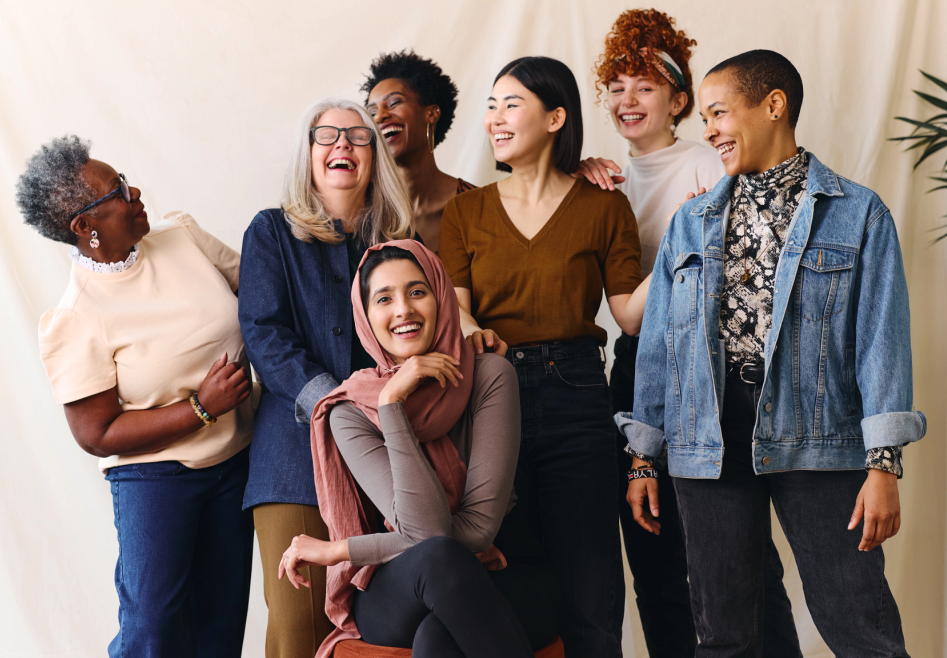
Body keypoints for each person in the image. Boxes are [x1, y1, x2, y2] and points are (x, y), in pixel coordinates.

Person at [619, 50, 925, 657]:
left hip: (818, 431)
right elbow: (660, 346)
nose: (709, 130)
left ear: (774, 106)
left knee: (860, 627)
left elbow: (881, 342)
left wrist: (883, 464)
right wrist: (643, 457)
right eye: (705, 117)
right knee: (724, 635)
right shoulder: (690, 222)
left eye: (719, 113)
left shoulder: (858, 214)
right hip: (707, 436)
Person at [578, 10, 801, 657]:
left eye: (644, 86)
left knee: (734, 562)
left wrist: (683, 230)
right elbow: (625, 316)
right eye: (616, 86)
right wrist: (580, 185)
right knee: (654, 562)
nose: (627, 100)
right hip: (635, 370)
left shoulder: (714, 161)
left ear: (679, 99)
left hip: (706, 370)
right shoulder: (605, 178)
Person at [440, 55, 651, 658]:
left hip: (579, 394)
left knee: (590, 584)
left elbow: (628, 313)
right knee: (505, 575)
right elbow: (454, 307)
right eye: (491, 106)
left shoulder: (604, 206)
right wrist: (474, 329)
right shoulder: (465, 211)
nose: (495, 118)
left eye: (512, 104)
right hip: (489, 393)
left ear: (556, 117)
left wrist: (689, 241)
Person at [18, 136, 254, 657]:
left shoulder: (183, 239)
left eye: (124, 180)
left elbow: (262, 294)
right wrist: (200, 408)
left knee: (219, 624)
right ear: (85, 226)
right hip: (155, 477)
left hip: (235, 462)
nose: (135, 191)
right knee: (154, 631)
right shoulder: (76, 318)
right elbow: (96, 433)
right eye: (119, 191)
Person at [279, 240, 559, 657]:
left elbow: (479, 530)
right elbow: (429, 538)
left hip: (503, 567)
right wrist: (391, 404)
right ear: (365, 316)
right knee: (439, 559)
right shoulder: (351, 410)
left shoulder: (489, 376)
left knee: (436, 637)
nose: (403, 310)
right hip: (399, 582)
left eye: (417, 292)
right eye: (384, 299)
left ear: (441, 296)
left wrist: (341, 550)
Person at [237, 98, 413, 658]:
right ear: (308, 153)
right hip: (291, 460)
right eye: (327, 136)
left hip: (385, 455)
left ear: (375, 156)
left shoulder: (398, 246)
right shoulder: (271, 232)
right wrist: (334, 401)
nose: (342, 145)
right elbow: (263, 334)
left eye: (358, 137)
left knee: (369, 634)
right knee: (297, 627)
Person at [363, 50, 477, 252]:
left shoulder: (478, 205)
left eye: (394, 103)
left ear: (431, 113)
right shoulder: (363, 211)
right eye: (371, 113)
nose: (379, 116)